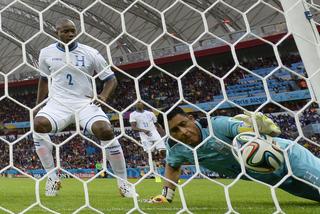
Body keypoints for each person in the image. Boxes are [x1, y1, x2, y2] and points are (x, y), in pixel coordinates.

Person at [33, 18, 135, 197]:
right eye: (65, 31)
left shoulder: (90, 53)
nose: (70, 34)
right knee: (38, 123)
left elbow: (111, 79)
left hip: (85, 103)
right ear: (56, 32)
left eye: (73, 30)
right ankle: (52, 178)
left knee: (106, 130)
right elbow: (43, 79)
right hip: (58, 103)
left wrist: (103, 96)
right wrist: (38, 104)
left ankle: (123, 183)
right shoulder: (45, 53)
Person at [151, 107, 320, 203]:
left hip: (288, 158)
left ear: (191, 118)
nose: (183, 132)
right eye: (174, 130)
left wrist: (257, 129)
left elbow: (243, 129)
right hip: (273, 179)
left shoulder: (216, 125)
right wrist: (167, 196)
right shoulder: (176, 147)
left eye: (184, 124)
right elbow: (172, 167)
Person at [129, 102, 166, 181]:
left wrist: (163, 134)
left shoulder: (150, 113)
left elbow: (157, 124)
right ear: (135, 105)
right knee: (150, 154)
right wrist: (143, 130)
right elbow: (133, 127)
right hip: (144, 137)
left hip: (155, 134)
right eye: (137, 103)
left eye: (140, 102)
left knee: (163, 152)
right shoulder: (133, 114)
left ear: (143, 104)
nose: (139, 104)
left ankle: (169, 172)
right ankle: (156, 174)